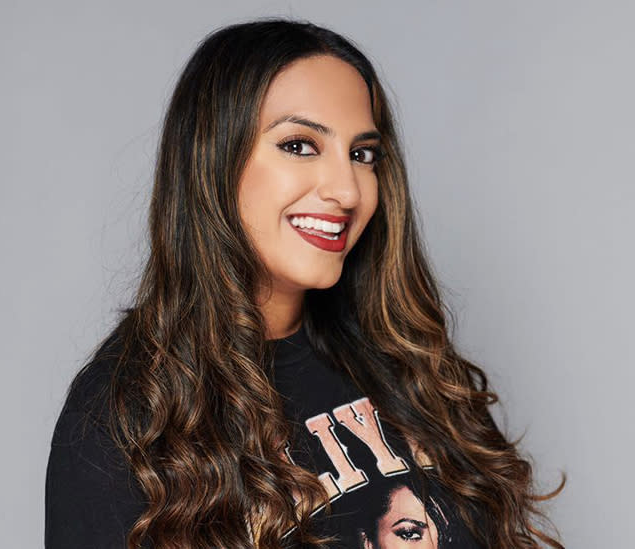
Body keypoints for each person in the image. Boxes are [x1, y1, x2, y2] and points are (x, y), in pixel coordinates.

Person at [44, 17, 564, 549]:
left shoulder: (406, 360)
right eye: (299, 145)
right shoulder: (126, 413)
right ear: (213, 159)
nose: (346, 190)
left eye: (362, 155)